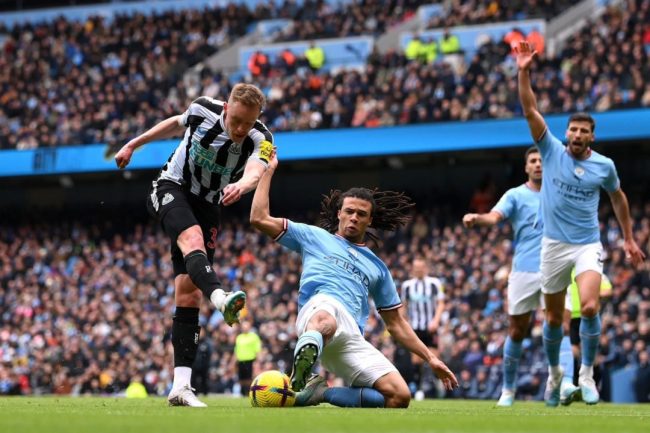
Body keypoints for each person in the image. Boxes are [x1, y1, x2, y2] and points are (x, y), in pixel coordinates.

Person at [249, 153, 458, 408]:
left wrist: (430, 358)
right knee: (326, 317)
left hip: (350, 337)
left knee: (399, 397)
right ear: (339, 213)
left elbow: (396, 324)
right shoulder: (313, 236)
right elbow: (258, 218)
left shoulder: (377, 268)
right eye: (349, 211)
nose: (354, 217)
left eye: (361, 214)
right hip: (318, 311)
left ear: (370, 220)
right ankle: (305, 359)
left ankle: (320, 392)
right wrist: (268, 171)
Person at [114, 83, 274, 407]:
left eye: (247, 123)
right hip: (172, 186)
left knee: (188, 292)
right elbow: (175, 123)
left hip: (209, 204)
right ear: (226, 108)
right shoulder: (203, 109)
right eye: (236, 121)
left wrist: (241, 186)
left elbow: (257, 169)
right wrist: (133, 144)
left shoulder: (263, 137)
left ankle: (180, 388)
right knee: (192, 239)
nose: (240, 129)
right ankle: (221, 298)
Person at [515, 40, 645, 406]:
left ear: (591, 137)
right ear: (567, 132)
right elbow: (530, 109)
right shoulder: (550, 150)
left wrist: (629, 238)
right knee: (554, 320)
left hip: (587, 244)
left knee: (588, 307)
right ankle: (557, 376)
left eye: (582, 131)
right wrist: (523, 72)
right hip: (553, 245)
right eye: (572, 129)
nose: (575, 135)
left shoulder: (604, 166)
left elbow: (618, 197)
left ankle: (586, 375)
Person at [463, 146, 563, 406]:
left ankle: (556, 379)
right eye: (533, 161)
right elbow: (494, 217)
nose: (538, 164)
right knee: (517, 330)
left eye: (541, 160)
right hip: (523, 271)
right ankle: (508, 389)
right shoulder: (515, 195)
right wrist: (478, 218)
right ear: (526, 167)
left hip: (554, 269)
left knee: (554, 322)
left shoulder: (561, 192)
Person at [559, 268, 612, 405]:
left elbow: (607, 290)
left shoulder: (590, 268)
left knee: (592, 357)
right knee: (573, 352)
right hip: (571, 318)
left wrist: (591, 294)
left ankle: (594, 386)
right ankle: (573, 387)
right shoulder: (566, 269)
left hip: (588, 316)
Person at [400, 257, 446, 398]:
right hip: (415, 327)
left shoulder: (435, 283)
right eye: (416, 268)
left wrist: (436, 321)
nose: (418, 270)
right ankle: (417, 388)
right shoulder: (407, 286)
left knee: (434, 357)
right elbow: (403, 306)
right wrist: (405, 322)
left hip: (431, 327)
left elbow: (441, 303)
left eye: (421, 268)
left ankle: (438, 385)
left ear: (425, 268)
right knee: (416, 359)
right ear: (413, 269)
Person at [234, 319, 262, 396]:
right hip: (240, 360)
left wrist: (258, 361)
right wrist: (233, 362)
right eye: (244, 326)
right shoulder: (239, 337)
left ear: (249, 327)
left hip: (250, 360)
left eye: (246, 326)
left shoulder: (254, 337)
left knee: (249, 378)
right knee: (241, 378)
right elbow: (236, 350)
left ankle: (249, 392)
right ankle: (242, 393)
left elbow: (258, 350)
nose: (245, 328)